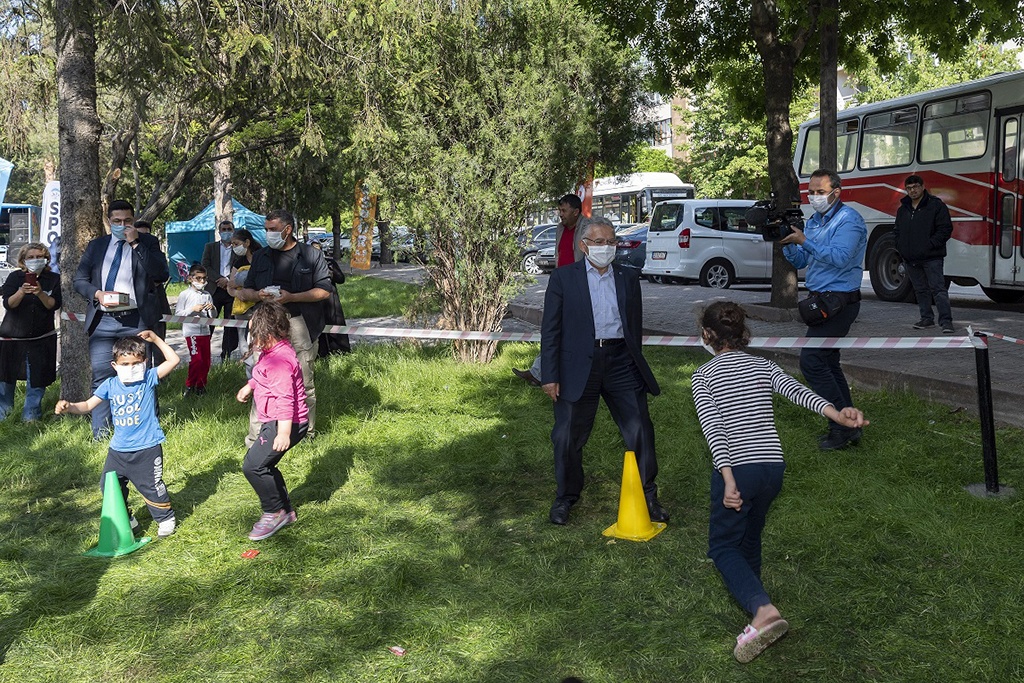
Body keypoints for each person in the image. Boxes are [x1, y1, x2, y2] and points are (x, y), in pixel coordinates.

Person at [692, 301, 868, 663]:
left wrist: (727, 479)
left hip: (738, 469)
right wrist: (838, 413)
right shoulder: (763, 365)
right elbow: (799, 394)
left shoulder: (703, 376)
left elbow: (715, 431)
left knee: (723, 547)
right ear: (744, 333)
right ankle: (753, 597)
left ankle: (762, 610)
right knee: (750, 535)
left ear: (707, 335)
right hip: (772, 468)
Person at [540, 217, 667, 525]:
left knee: (640, 430)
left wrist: (632, 358)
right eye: (599, 242)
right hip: (576, 366)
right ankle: (566, 498)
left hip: (621, 361)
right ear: (584, 246)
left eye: (611, 242)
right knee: (567, 436)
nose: (606, 247)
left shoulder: (627, 277)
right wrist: (550, 374)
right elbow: (551, 330)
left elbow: (633, 324)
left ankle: (648, 495)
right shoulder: (563, 278)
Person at [55, 331, 181, 538]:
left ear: (144, 363)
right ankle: (127, 518)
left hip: (147, 448)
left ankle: (165, 518)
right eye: (125, 364)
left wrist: (156, 339)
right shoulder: (110, 385)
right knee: (109, 486)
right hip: (118, 451)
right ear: (114, 366)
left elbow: (173, 360)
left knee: (151, 486)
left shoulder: (148, 378)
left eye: (135, 363)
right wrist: (69, 407)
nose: (130, 368)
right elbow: (87, 405)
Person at [780, 168, 867, 451]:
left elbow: (841, 258)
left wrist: (804, 240)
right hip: (821, 300)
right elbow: (802, 259)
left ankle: (839, 425)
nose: (814, 197)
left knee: (812, 361)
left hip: (840, 302)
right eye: (811, 192)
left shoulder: (849, 220)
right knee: (828, 362)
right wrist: (787, 243)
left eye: (820, 192)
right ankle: (849, 424)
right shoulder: (815, 221)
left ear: (836, 192)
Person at [73, 199, 169, 438]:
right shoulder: (97, 246)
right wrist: (97, 294)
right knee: (102, 377)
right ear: (108, 221)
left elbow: (161, 273)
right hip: (103, 321)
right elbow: (79, 280)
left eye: (127, 220)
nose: (122, 225)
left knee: (140, 376)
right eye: (117, 221)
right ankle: (101, 434)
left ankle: (146, 429)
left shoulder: (148, 242)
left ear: (134, 220)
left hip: (136, 319)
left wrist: (135, 242)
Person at [236, 209, 331, 442]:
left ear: (287, 230)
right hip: (266, 325)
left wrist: (292, 297)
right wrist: (257, 295)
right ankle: (258, 438)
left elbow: (324, 291)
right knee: (261, 381)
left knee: (304, 382)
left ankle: (305, 434)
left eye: (272, 230)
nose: (268, 234)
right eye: (266, 229)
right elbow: (245, 291)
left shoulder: (311, 255)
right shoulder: (260, 256)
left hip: (300, 322)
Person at [235, 301, 309, 541]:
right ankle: (285, 510)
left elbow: (286, 398)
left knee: (253, 466)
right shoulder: (272, 353)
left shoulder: (280, 361)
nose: (251, 338)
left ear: (268, 332)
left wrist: (283, 433)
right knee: (265, 465)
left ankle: (273, 512)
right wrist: (250, 386)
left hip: (285, 422)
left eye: (254, 333)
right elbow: (264, 376)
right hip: (276, 421)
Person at [513, 193, 590, 386]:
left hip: (580, 287)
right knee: (554, 329)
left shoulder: (587, 229)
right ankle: (539, 372)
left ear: (576, 212)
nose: (560, 215)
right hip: (560, 286)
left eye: (564, 211)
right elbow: (560, 254)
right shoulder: (559, 229)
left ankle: (540, 373)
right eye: (559, 211)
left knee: (566, 331)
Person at [0, 243, 62, 421]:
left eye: (39, 257)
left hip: (41, 339)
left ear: (46, 259)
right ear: (23, 260)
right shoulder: (14, 277)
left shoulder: (54, 279)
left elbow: (53, 305)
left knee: (37, 382)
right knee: (5, 381)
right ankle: (4, 419)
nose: (35, 260)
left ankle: (31, 420)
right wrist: (21, 292)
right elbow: (8, 304)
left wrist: (40, 293)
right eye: (31, 257)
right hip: (12, 338)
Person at [893, 174, 955, 334]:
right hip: (911, 258)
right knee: (920, 290)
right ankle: (926, 319)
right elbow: (897, 231)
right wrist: (901, 248)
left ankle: (946, 322)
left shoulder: (936, 206)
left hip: (932, 257)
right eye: (909, 188)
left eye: (915, 187)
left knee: (938, 290)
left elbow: (945, 229)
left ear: (922, 187)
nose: (912, 191)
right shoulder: (903, 210)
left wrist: (930, 245)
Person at [201, 219, 240, 360]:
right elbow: (205, 265)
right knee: (209, 322)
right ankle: (204, 353)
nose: (226, 232)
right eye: (223, 229)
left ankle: (226, 355)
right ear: (219, 231)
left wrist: (228, 280)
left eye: (229, 229)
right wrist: (219, 280)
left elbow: (240, 267)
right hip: (214, 289)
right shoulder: (210, 247)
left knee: (230, 324)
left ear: (233, 230)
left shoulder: (238, 249)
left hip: (232, 290)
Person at [174, 263, 215, 396]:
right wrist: (192, 309)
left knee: (206, 362)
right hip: (192, 332)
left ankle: (201, 387)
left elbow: (212, 316)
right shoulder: (185, 294)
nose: (202, 281)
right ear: (191, 278)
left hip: (205, 332)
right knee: (196, 360)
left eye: (204, 278)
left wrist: (212, 309)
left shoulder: (207, 294)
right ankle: (190, 385)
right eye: (198, 278)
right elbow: (178, 314)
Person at [134, 220, 172, 355]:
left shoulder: (157, 254)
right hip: (135, 309)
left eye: (147, 235)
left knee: (158, 347)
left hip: (156, 305)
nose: (145, 239)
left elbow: (161, 275)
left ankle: (161, 375)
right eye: (140, 234)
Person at [311, 241, 351, 357]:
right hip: (315, 301)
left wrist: (330, 273)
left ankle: (341, 352)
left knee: (336, 324)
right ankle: (321, 354)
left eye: (318, 249)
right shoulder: (307, 264)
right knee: (319, 328)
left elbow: (341, 279)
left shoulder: (330, 263)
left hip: (331, 300)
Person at [225, 229, 258, 370]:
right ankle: (249, 372)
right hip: (241, 308)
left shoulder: (261, 258)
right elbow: (230, 286)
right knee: (243, 342)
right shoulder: (238, 262)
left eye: (236, 243)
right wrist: (238, 293)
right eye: (232, 244)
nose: (234, 247)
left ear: (247, 242)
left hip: (259, 306)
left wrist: (241, 283)